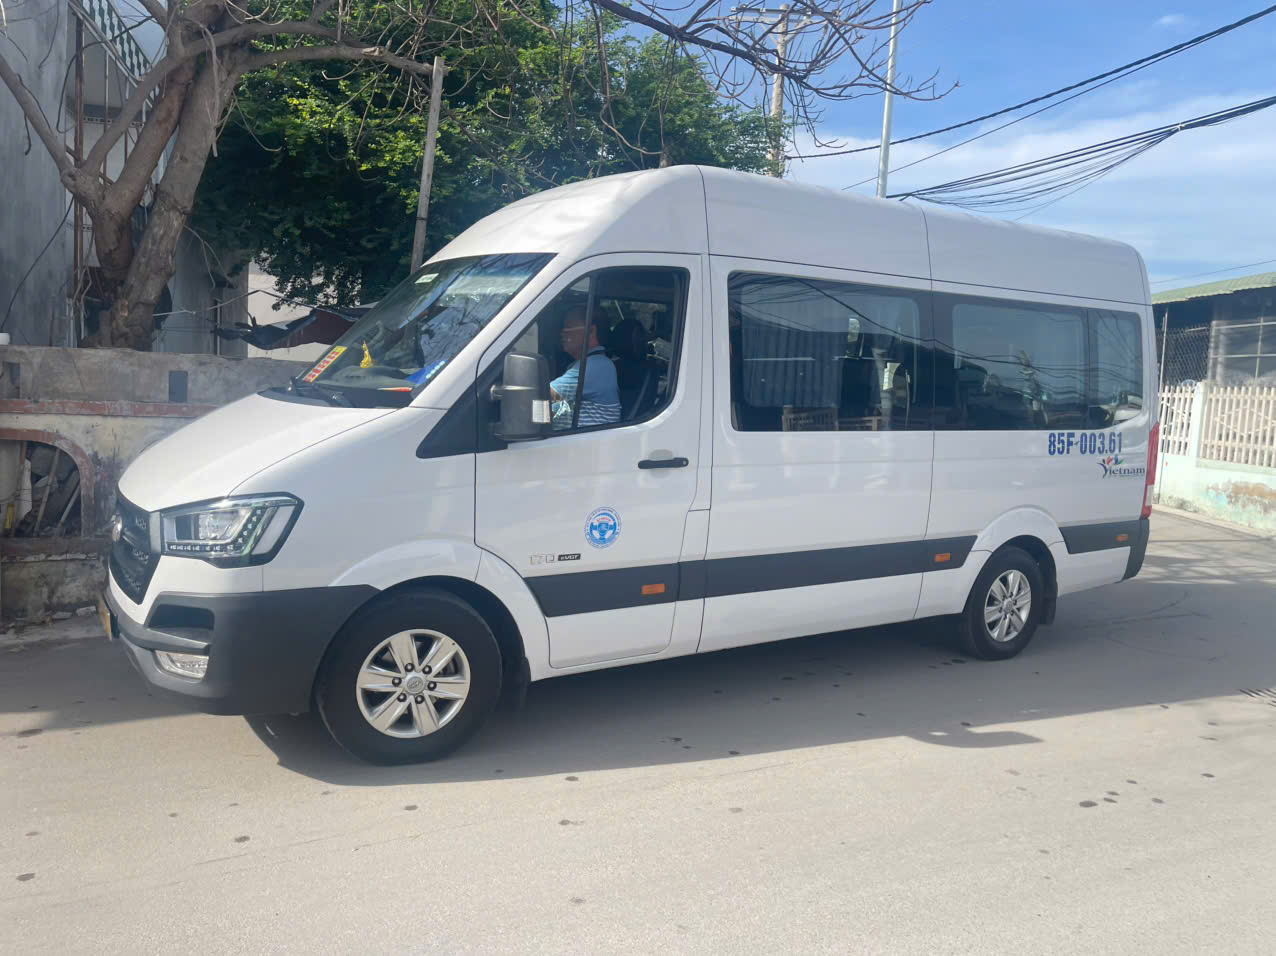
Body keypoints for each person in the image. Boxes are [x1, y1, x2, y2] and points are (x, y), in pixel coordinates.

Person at [550, 307, 621, 428]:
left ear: (591, 331)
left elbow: (546, 395)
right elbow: (558, 401)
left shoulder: (596, 365)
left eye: (568, 326)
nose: (562, 332)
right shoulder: (585, 363)